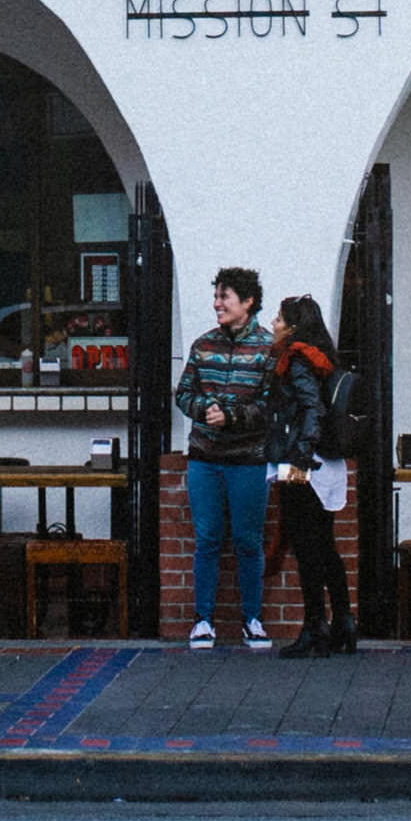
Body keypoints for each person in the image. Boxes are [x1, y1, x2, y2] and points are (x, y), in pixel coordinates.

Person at [174, 266, 274, 650]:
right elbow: (183, 394)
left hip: (249, 461)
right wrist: (204, 410)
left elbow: (272, 405)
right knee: (208, 539)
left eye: (224, 297)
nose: (216, 304)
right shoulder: (203, 345)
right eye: (216, 296)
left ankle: (253, 620)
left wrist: (232, 416)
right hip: (205, 458)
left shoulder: (268, 348)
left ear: (248, 302)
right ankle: (203, 621)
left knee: (248, 541)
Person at [267, 292, 355, 655]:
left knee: (306, 548)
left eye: (278, 319)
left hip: (301, 464)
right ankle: (343, 621)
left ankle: (314, 627)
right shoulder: (321, 356)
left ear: (292, 328)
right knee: (325, 545)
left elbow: (310, 408)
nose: (273, 324)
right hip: (326, 464)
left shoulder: (296, 360)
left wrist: (301, 454)